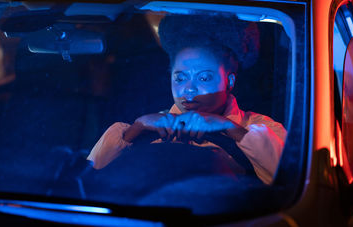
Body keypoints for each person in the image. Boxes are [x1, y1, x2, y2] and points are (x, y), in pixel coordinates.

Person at [87, 14, 286, 184]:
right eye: (180, 78)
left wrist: (227, 127)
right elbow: (87, 179)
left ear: (229, 81)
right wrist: (136, 129)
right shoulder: (145, 129)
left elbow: (290, 178)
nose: (189, 88)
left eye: (204, 77)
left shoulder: (262, 129)